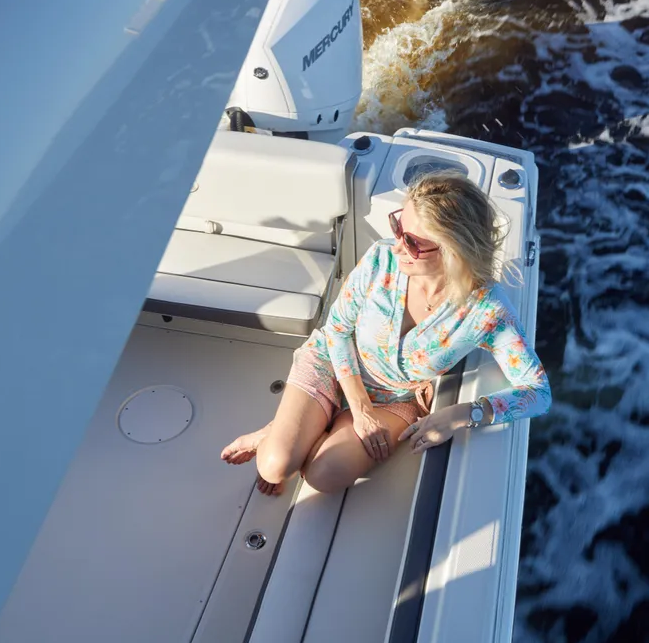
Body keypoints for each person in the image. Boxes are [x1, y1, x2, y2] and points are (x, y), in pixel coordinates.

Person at [221, 170, 551, 495]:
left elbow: (538, 392)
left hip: (395, 399)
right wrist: (359, 409)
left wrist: (462, 415)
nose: (396, 247)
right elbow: (337, 329)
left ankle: (307, 430)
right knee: (275, 466)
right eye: (398, 227)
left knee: (323, 476)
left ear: (454, 250)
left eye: (411, 242)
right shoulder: (382, 259)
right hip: (333, 363)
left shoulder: (487, 312)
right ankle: (284, 433)